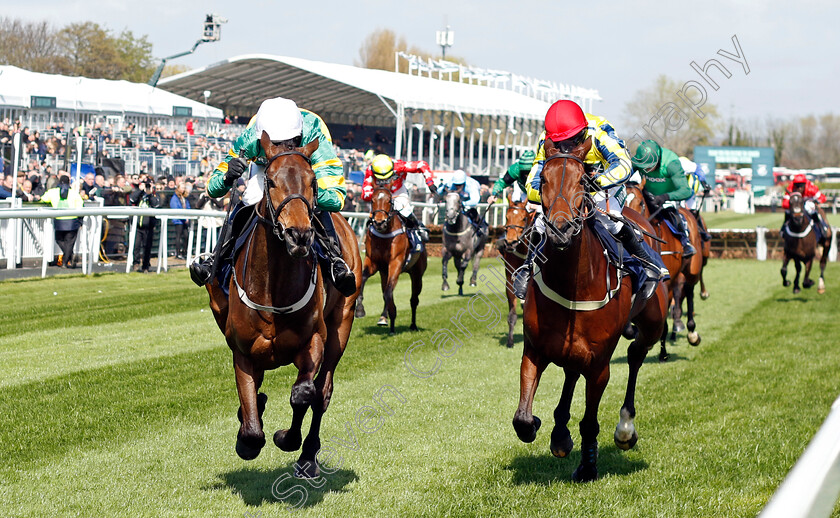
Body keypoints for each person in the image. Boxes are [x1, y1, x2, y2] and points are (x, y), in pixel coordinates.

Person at [189, 97, 356, 297]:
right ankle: (216, 258)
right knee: (251, 196)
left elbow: (336, 199)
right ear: (263, 139)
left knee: (312, 200)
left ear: (299, 136)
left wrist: (308, 193)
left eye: (289, 143)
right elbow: (212, 188)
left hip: (304, 168)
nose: (282, 148)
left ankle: (334, 260)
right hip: (268, 168)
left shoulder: (314, 135)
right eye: (275, 144)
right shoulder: (251, 138)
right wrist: (227, 176)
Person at [513, 100, 665, 300]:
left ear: (582, 131)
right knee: (542, 219)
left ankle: (646, 261)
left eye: (571, 140)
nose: (565, 147)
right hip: (566, 190)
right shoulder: (546, 139)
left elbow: (624, 165)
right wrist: (547, 193)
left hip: (603, 185)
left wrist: (596, 184)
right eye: (560, 143)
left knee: (609, 218)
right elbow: (532, 183)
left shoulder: (599, 130)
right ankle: (527, 266)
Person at [631, 140, 697, 258]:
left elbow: (686, 191)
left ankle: (685, 242)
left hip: (668, 197)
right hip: (648, 194)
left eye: (649, 167)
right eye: (643, 167)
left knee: (670, 212)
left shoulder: (671, 164)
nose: (646, 170)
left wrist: (665, 197)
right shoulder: (639, 160)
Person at [360, 154, 438, 242]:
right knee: (376, 213)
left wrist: (430, 183)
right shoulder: (370, 170)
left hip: (397, 192)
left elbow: (422, 165)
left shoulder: (399, 166)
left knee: (405, 211)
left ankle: (418, 228)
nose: (384, 180)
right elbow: (365, 194)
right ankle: (369, 236)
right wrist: (377, 196)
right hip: (381, 194)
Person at [41, 172, 84, 268]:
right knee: (69, 242)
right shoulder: (74, 193)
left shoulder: (53, 192)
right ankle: (66, 260)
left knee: (59, 240)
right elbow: (81, 206)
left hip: (59, 221)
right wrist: (80, 221)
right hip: (72, 221)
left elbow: (42, 199)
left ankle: (68, 257)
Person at [782, 173, 830, 242]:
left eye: (801, 185)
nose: (799, 188)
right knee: (787, 211)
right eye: (797, 185)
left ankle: (822, 227)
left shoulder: (811, 188)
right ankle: (783, 228)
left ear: (805, 184)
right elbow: (784, 203)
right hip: (796, 204)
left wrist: (816, 201)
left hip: (808, 203)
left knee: (809, 206)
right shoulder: (790, 188)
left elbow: (823, 198)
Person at [129, 180, 161, 272]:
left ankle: (145, 266)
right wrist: (140, 190)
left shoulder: (155, 195)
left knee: (147, 247)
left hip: (149, 227)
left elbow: (156, 204)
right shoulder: (139, 194)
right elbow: (132, 199)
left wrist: (150, 193)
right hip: (138, 226)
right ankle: (136, 263)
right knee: (136, 246)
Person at [677, 156, 712, 241]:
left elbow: (698, 169)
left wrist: (704, 183)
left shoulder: (684, 164)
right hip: (676, 193)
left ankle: (701, 230)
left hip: (689, 193)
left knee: (693, 211)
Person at [169, 183, 191, 259]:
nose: (183, 189)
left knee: (186, 236)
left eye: (184, 188)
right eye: (182, 187)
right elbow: (176, 208)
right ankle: (178, 253)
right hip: (178, 220)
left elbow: (188, 207)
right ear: (178, 188)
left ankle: (184, 252)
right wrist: (185, 218)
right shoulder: (174, 198)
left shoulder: (184, 198)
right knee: (178, 236)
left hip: (184, 220)